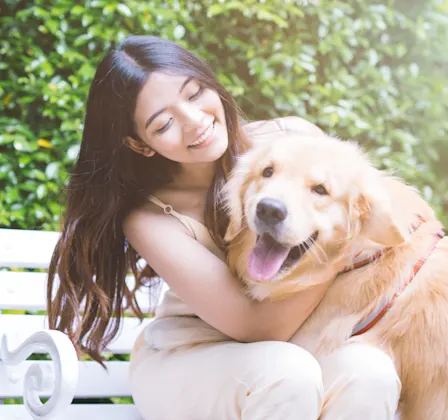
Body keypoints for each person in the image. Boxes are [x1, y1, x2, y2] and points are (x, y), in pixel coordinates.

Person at [47, 35, 401, 419]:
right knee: (287, 372)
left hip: (291, 351)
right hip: (188, 358)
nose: (195, 121)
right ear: (140, 144)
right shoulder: (149, 219)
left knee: (371, 371)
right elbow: (256, 327)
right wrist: (344, 247)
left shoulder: (289, 139)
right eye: (164, 123)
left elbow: (368, 211)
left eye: (195, 93)